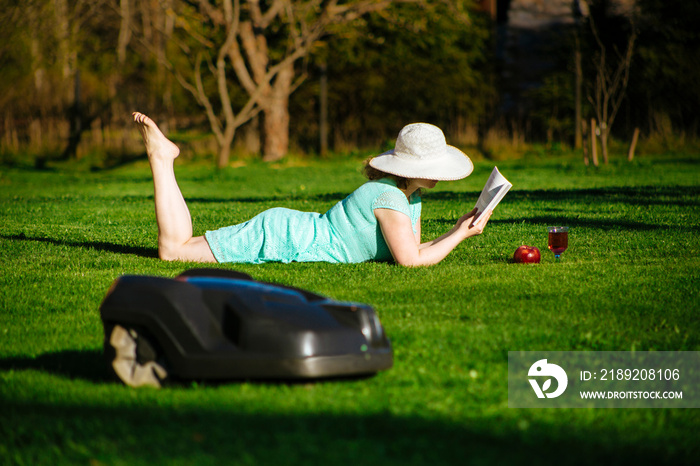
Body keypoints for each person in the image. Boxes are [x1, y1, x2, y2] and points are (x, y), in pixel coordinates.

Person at [133, 112, 492, 267]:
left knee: (178, 249)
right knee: (173, 252)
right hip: (286, 236)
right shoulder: (390, 197)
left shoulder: (407, 196)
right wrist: (460, 236)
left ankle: (163, 159)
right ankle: (162, 159)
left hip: (293, 231)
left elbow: (409, 250)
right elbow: (411, 262)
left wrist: (457, 229)